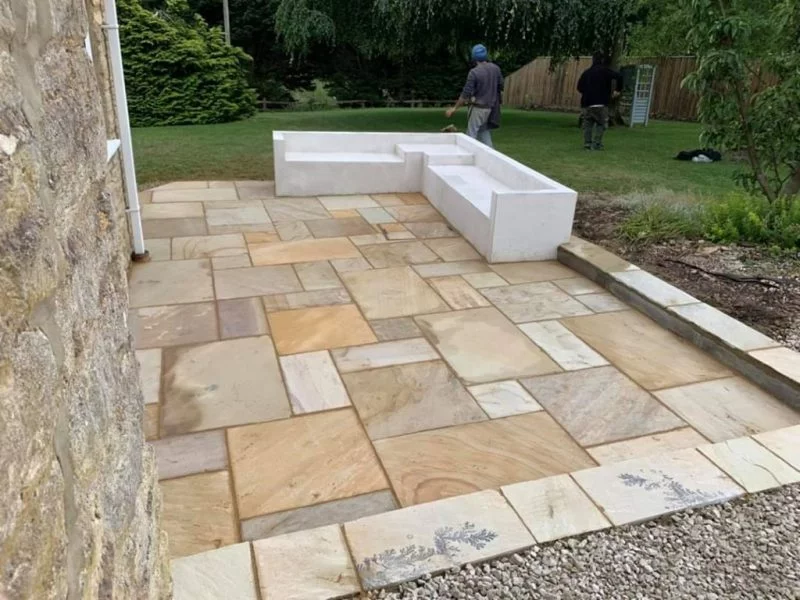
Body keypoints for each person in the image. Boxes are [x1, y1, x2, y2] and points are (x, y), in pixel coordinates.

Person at [445, 44, 504, 147]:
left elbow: (465, 94)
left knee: (471, 136)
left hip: (477, 107)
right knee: (484, 132)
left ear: (474, 57)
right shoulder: (496, 69)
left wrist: (454, 109)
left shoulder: (474, 72)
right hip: (490, 108)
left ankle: (465, 158)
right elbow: (500, 86)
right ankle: (491, 155)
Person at [577, 52, 623, 150]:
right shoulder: (605, 71)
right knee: (601, 123)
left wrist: (587, 92)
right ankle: (597, 143)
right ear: (602, 60)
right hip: (601, 103)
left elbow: (579, 88)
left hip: (587, 103)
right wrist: (617, 90)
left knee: (588, 124)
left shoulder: (586, 73)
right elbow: (619, 77)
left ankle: (587, 143)